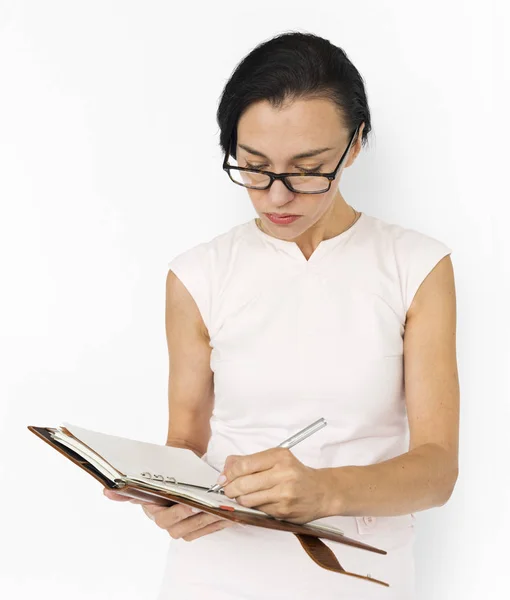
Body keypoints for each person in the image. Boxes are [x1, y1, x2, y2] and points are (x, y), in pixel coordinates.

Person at [104, 31, 459, 599]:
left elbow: (437, 471)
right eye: (254, 167)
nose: (276, 196)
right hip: (216, 568)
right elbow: (185, 444)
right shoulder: (198, 274)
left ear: (357, 142)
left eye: (308, 168)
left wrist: (324, 491)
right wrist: (165, 498)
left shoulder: (415, 265)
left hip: (362, 569)